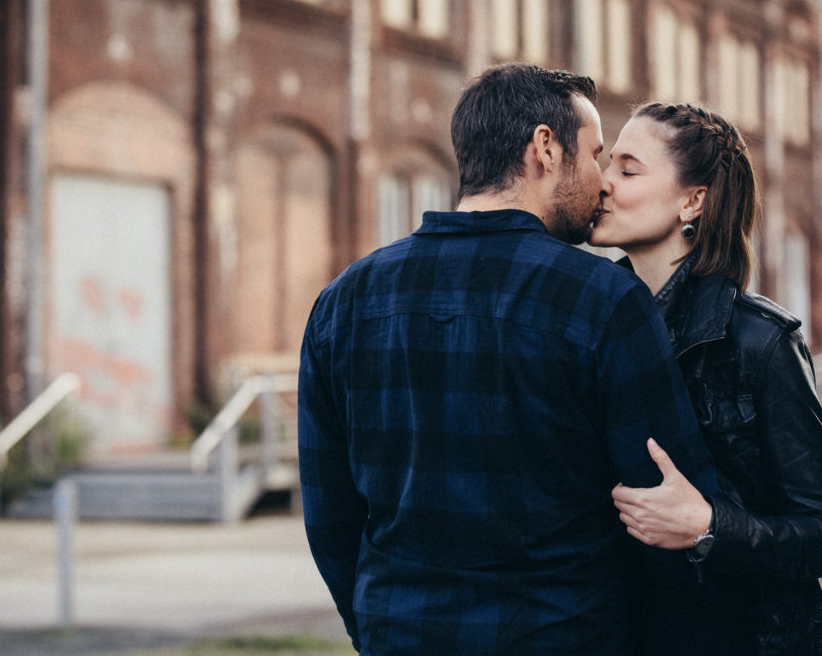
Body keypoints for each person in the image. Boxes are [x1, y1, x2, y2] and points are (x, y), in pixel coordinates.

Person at [297, 64, 719, 655]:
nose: (601, 181)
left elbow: (329, 517)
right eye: (596, 154)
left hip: (400, 635)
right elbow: (664, 511)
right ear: (545, 148)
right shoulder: (603, 300)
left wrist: (376, 627)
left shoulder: (342, 303)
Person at [589, 101, 822, 655]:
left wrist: (709, 526)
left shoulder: (759, 342)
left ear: (693, 200)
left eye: (627, 169)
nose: (602, 183)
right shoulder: (590, 327)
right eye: (606, 164)